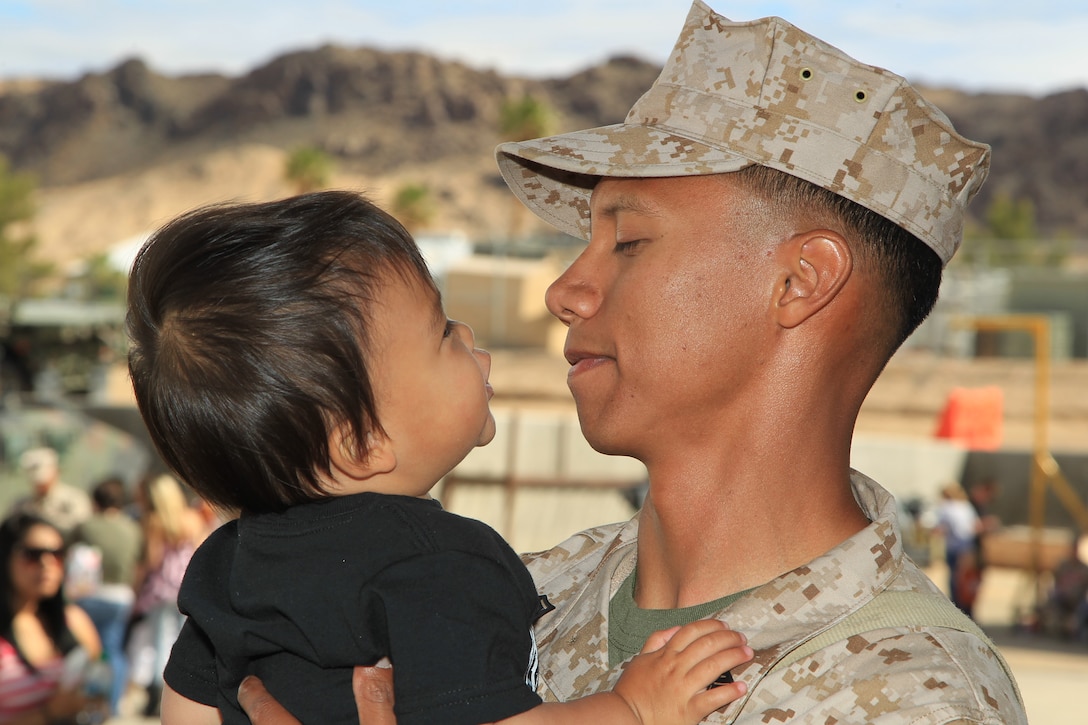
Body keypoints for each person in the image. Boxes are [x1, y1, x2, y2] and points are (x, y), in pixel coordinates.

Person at [240, 2, 1028, 723]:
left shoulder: (909, 695)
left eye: (629, 241)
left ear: (800, 281)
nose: (564, 290)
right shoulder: (519, 591)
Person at [126, 190, 752, 725]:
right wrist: (634, 710)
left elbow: (187, 706)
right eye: (443, 332)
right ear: (362, 442)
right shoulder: (439, 565)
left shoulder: (229, 562)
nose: (469, 337)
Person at [0, 512, 102, 724]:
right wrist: (49, 713)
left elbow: (98, 686)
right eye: (32, 554)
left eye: (57, 554)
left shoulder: (73, 621)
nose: (47, 563)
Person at [127, 474, 205, 717]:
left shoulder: (155, 522)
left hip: (161, 590)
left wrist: (136, 586)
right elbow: (201, 552)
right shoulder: (193, 518)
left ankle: (158, 696)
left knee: (160, 642)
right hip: (187, 587)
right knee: (184, 640)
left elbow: (152, 561)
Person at [70, 477, 143, 717]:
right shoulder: (133, 528)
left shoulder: (87, 526)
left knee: (88, 651)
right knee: (113, 651)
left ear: (95, 501)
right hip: (121, 596)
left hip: (89, 595)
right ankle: (112, 705)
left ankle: (88, 704)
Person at [10, 448, 92, 539]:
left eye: (44, 482)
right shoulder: (22, 505)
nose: (41, 486)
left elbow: (81, 530)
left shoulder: (75, 499)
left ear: (56, 472)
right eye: (38, 483)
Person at [934, 483, 982, 616]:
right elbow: (975, 526)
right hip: (968, 547)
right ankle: (968, 609)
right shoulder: (966, 506)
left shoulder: (946, 508)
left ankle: (957, 609)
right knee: (966, 579)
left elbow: (940, 527)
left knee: (955, 580)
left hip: (955, 547)